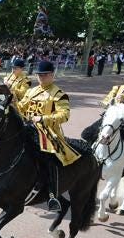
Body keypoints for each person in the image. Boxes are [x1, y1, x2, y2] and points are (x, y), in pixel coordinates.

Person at [17, 60, 80, 212]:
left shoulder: (59, 94)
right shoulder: (31, 91)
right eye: (39, 75)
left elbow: (64, 115)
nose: (41, 78)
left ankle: (52, 195)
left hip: (47, 131)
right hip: (28, 127)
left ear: (52, 75)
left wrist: (44, 118)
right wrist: (12, 100)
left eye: (44, 75)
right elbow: (21, 107)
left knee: (48, 157)